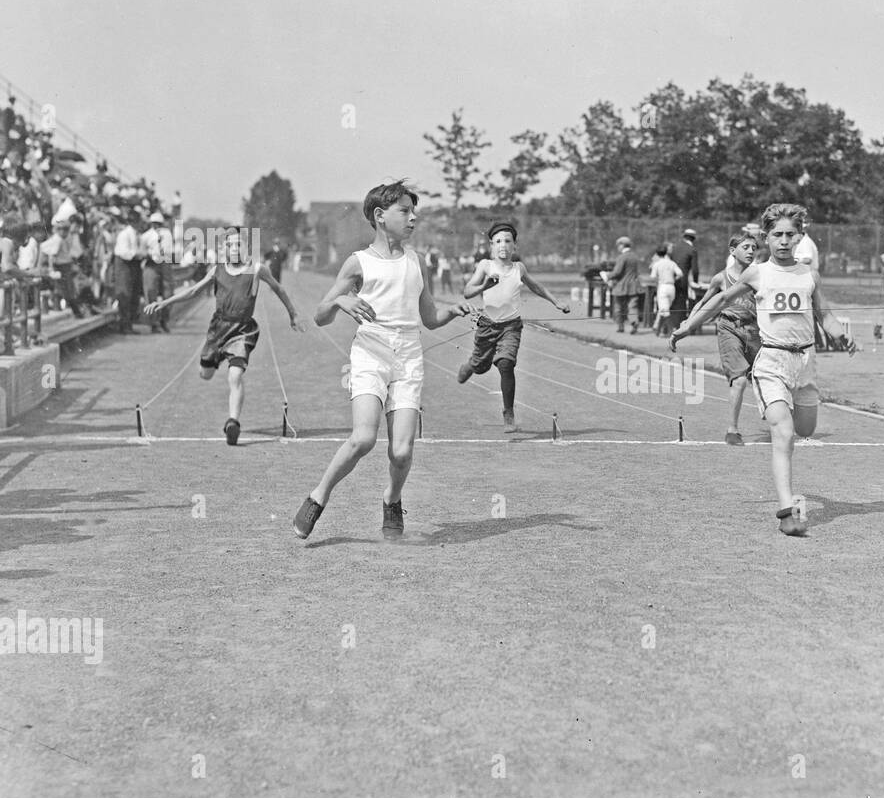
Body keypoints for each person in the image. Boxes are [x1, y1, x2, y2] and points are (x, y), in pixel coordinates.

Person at [292, 182, 469, 539]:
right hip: (370, 353)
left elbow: (430, 317)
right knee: (363, 439)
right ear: (379, 216)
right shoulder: (359, 262)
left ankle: (392, 498)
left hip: (408, 355)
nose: (413, 217)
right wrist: (341, 301)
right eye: (404, 211)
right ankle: (318, 496)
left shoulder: (416, 262)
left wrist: (454, 311)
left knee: (402, 450)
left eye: (413, 210)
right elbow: (321, 315)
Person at [671, 203, 855, 536]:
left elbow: (824, 315)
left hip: (805, 363)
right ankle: (787, 513)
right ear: (766, 237)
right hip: (771, 362)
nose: (784, 241)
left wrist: (842, 335)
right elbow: (720, 301)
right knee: (782, 433)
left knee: (806, 429)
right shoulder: (756, 273)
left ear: (800, 236)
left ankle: (789, 501)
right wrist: (687, 326)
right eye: (777, 235)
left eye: (790, 234)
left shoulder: (809, 275)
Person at [145, 227, 303, 445]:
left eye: (238, 244)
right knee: (205, 374)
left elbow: (279, 289)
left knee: (235, 376)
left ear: (245, 247)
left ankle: (233, 423)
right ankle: (217, 359)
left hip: (242, 330)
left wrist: (293, 315)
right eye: (230, 245)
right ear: (224, 249)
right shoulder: (218, 269)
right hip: (218, 330)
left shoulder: (255, 269)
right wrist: (164, 303)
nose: (234, 248)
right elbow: (194, 291)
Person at [458, 222, 571, 432]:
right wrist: (485, 286)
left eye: (508, 241)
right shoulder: (485, 265)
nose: (503, 245)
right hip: (487, 326)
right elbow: (467, 291)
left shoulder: (519, 268)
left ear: (514, 247)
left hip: (511, 326)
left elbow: (537, 286)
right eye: (498, 241)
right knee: (481, 366)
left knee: (505, 364)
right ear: (491, 245)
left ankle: (508, 411)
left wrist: (556, 302)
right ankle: (472, 364)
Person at [689, 232, 761, 445]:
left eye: (753, 248)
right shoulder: (721, 278)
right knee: (739, 380)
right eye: (745, 247)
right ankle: (733, 430)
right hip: (729, 328)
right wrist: (686, 325)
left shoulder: (761, 275)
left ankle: (784, 423)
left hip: (756, 332)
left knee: (767, 379)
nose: (750, 251)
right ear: (733, 251)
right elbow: (703, 303)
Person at [141, 211, 174, 332]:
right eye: (154, 223)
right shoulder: (146, 236)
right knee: (150, 292)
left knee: (168, 292)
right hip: (151, 264)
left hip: (164, 263)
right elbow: (141, 251)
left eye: (159, 224)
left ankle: (164, 320)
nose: (156, 226)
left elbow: (169, 250)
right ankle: (153, 323)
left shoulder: (167, 234)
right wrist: (149, 255)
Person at [111, 212, 144, 333]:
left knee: (133, 295)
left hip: (133, 265)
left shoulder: (136, 234)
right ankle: (124, 325)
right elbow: (124, 252)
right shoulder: (124, 234)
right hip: (124, 264)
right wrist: (137, 254)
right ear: (133, 222)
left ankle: (128, 324)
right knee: (124, 294)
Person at [606, 236, 643, 334]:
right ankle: (634, 322)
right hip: (634, 286)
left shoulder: (622, 257)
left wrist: (607, 276)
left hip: (621, 286)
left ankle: (620, 326)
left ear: (622, 245)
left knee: (618, 307)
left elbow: (617, 272)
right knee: (633, 306)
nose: (618, 247)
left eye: (618, 245)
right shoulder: (635, 257)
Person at [647, 243, 682, 336]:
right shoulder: (672, 263)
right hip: (671, 287)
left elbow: (653, 276)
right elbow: (680, 273)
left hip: (662, 287)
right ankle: (657, 330)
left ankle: (672, 330)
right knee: (664, 309)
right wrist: (674, 279)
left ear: (658, 254)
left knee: (664, 310)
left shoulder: (657, 264)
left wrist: (658, 280)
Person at [669, 227, 699, 333]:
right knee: (681, 302)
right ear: (693, 239)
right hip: (683, 280)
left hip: (671, 279)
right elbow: (695, 269)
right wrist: (695, 282)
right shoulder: (692, 250)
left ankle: (672, 325)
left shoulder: (675, 247)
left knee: (673, 301)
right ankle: (679, 326)